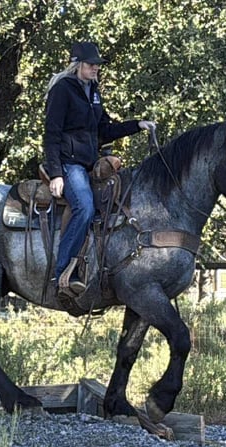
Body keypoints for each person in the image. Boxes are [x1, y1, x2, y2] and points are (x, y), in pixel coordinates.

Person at [43, 41, 155, 294]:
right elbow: (51, 134)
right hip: (69, 163)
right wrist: (56, 174)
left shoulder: (92, 90)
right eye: (91, 64)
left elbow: (104, 130)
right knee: (84, 207)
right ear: (77, 65)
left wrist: (137, 125)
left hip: (90, 163)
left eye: (97, 65)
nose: (96, 68)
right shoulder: (63, 90)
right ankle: (62, 273)